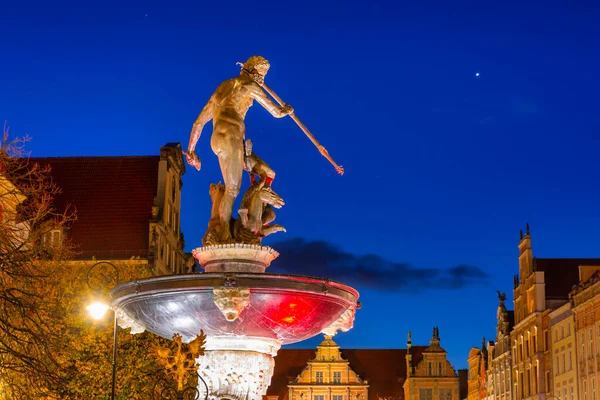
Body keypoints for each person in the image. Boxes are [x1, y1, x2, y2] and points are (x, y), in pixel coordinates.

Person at [184, 56, 293, 242]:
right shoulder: (249, 86)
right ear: (255, 72)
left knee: (267, 172)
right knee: (232, 189)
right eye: (262, 75)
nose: (263, 80)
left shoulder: (222, 88)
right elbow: (276, 112)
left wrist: (192, 150)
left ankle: (257, 215)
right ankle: (225, 233)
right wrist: (287, 110)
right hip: (232, 137)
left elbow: (198, 122)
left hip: (222, 140)